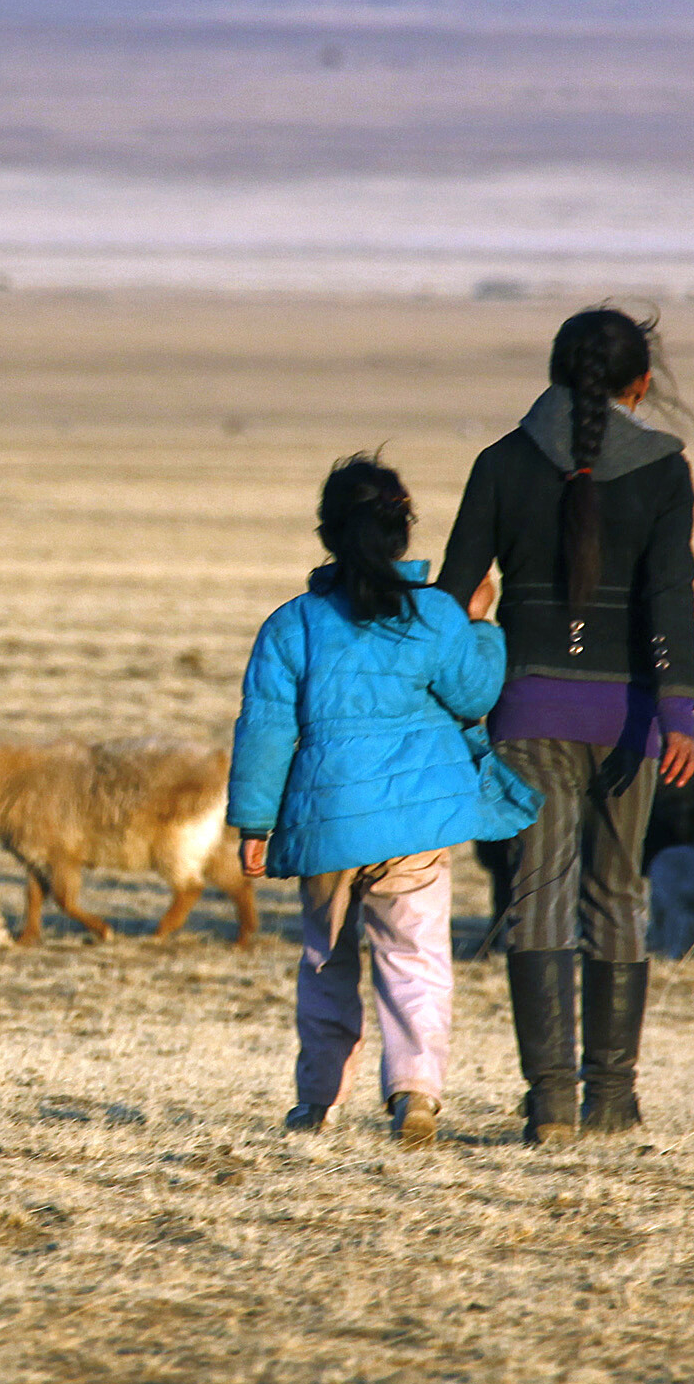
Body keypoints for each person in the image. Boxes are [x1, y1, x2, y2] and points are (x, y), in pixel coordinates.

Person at [435, 305, 694, 1143]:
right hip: (627, 721)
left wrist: (449, 690)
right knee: (618, 893)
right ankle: (613, 1100)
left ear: (555, 370)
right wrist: (680, 717)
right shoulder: (665, 468)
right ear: (642, 384)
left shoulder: (501, 461)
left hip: (526, 712)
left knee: (537, 895)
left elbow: (455, 592)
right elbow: (669, 597)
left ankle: (550, 1101)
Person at [228, 455, 539, 1146]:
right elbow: (476, 695)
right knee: (415, 957)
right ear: (402, 533)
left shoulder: (292, 625)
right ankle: (416, 1095)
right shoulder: (435, 615)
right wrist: (481, 625)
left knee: (324, 961)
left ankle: (317, 1104)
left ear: (328, 534)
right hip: (415, 826)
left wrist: (254, 822)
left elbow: (266, 727)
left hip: (323, 829)